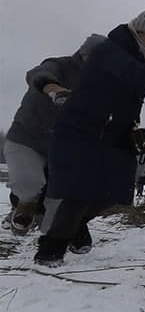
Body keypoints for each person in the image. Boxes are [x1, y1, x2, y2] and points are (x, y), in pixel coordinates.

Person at [34, 0, 145, 265]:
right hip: (82, 130)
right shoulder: (110, 50)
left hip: (116, 134)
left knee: (115, 192)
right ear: (139, 30)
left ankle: (77, 226)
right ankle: (50, 249)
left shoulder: (139, 58)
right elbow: (132, 74)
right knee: (79, 191)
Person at [3, 34, 105, 235]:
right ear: (84, 54)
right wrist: (52, 88)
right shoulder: (59, 65)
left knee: (62, 195)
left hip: (63, 147)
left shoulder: (101, 83)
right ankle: (25, 205)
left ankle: (53, 237)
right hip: (27, 139)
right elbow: (38, 74)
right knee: (29, 183)